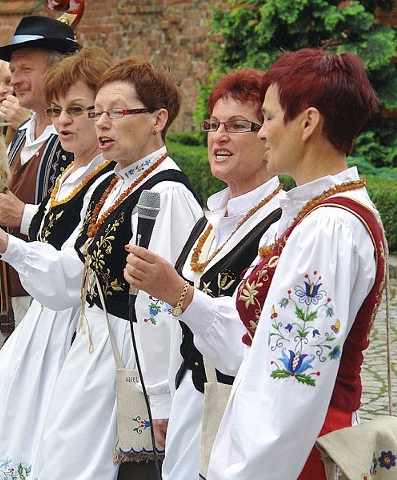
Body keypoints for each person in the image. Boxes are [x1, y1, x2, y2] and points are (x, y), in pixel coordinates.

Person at [127, 48, 386, 479]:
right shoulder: (318, 214)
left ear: (307, 123)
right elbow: (258, 337)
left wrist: (237, 470)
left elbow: (290, 382)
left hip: (297, 455)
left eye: (267, 118)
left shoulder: (327, 229)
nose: (262, 133)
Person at [0, 57, 202, 479]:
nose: (103, 124)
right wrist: (6, 244)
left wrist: (160, 398)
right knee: (59, 456)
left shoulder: (165, 193)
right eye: (98, 112)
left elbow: (161, 309)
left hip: (128, 357)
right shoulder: (113, 185)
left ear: (158, 120)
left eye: (117, 112)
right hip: (92, 344)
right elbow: (70, 274)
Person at [0, 46, 115, 480]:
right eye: (58, 110)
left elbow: (69, 261)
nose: (64, 120)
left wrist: (9, 235)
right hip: (41, 314)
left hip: (76, 324)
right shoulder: (59, 164)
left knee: (49, 438)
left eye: (78, 110)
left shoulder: (107, 178)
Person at [122, 68, 283, 479]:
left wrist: (176, 291)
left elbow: (253, 342)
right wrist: (164, 397)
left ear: (267, 136)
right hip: (191, 395)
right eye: (213, 125)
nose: (218, 137)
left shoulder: (280, 225)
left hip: (234, 409)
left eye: (236, 126)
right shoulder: (212, 218)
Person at [0, 15, 78, 331]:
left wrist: (23, 214)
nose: (15, 79)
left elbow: (83, 224)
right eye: (13, 70)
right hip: (7, 299)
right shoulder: (19, 136)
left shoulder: (77, 141)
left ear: (58, 72)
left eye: (26, 70)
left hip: (54, 306)